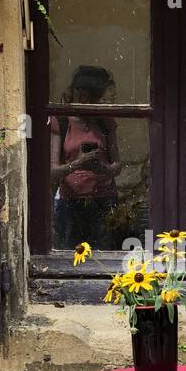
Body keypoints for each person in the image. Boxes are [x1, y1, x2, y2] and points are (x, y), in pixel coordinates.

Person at [49, 65, 121, 249]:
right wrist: (78, 163)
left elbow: (117, 166)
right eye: (100, 100)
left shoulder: (105, 121)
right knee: (71, 255)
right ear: (84, 96)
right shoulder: (62, 121)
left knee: (105, 255)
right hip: (70, 203)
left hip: (104, 202)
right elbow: (53, 171)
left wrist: (102, 168)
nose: (103, 105)